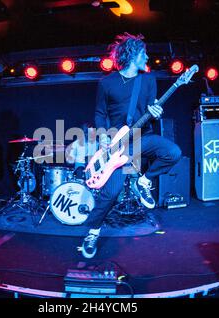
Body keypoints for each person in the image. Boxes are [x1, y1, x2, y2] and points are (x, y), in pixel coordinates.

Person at [79, 33, 182, 258]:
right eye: (143, 52)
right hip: (117, 144)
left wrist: (156, 111)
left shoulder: (148, 79)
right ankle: (93, 232)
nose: (147, 56)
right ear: (133, 54)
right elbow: (99, 113)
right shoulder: (106, 83)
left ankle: (143, 181)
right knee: (111, 193)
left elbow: (151, 110)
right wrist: (103, 136)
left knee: (172, 152)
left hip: (142, 137)